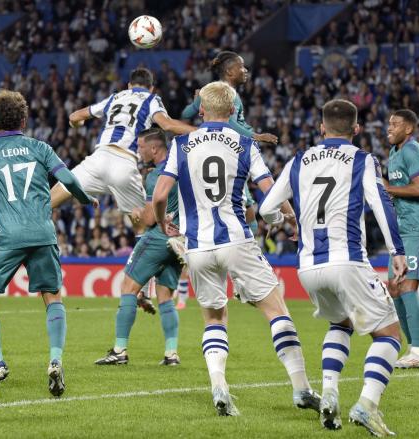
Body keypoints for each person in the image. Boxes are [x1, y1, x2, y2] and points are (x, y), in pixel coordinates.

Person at [153, 81, 319, 417]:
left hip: (197, 247)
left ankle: (219, 386)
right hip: (236, 240)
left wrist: (162, 222)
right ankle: (301, 388)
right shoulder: (244, 143)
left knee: (214, 318)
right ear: (232, 111)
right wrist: (289, 218)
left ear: (201, 110)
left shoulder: (181, 143)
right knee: (276, 310)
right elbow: (269, 191)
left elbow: (159, 196)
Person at [260, 99, 407, 436]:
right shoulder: (362, 159)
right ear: (355, 130)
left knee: (340, 323)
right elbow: (381, 203)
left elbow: (267, 207)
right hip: (347, 259)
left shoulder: (300, 159)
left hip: (308, 267)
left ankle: (328, 392)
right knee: (388, 334)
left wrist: (286, 218)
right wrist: (396, 250)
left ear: (321, 127)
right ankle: (367, 406)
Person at [0, 90, 98, 396]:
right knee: (52, 298)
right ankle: (54, 360)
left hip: (8, 233)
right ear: (24, 120)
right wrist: (83, 199)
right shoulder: (40, 147)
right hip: (41, 231)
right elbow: (67, 179)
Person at [178, 50, 279, 308]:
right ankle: (242, 276)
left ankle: (238, 275)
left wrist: (197, 100)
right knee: (246, 210)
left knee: (248, 211)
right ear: (230, 71)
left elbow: (187, 113)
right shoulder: (226, 94)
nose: (245, 71)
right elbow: (228, 124)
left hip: (215, 153)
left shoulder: (213, 91)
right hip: (228, 153)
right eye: (242, 67)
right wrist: (255, 136)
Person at [50, 67, 195, 227]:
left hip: (98, 159)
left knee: (51, 199)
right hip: (124, 163)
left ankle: (23, 227)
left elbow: (75, 116)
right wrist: (201, 130)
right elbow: (166, 125)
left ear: (129, 85)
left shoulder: (115, 97)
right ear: (151, 88)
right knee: (148, 223)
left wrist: (77, 124)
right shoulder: (151, 98)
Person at [94, 128, 182, 366]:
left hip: (158, 237)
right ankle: (171, 353)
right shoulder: (181, 170)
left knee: (128, 287)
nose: (138, 151)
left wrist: (137, 214)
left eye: (141, 146)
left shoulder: (156, 177)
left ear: (154, 148)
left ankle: (120, 350)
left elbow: (150, 219)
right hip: (179, 240)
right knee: (165, 297)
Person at [383, 109, 419, 369]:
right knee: (394, 287)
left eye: (395, 124)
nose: (389, 128)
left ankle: (417, 351)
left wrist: (387, 188)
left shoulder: (411, 150)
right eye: (389, 124)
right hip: (403, 230)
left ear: (408, 129)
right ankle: (412, 348)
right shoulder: (394, 153)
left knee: (406, 286)